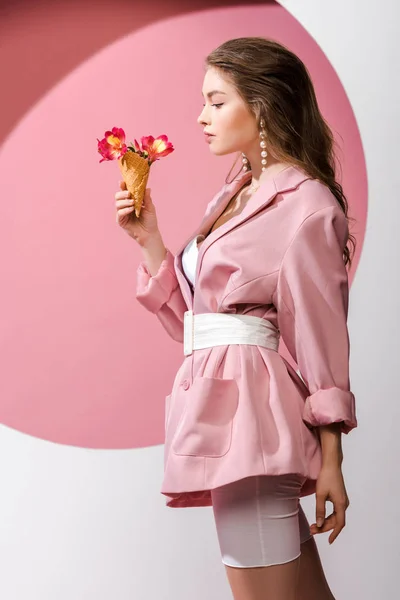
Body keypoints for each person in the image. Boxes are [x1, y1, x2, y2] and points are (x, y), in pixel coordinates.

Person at [114, 37, 357, 600]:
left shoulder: (307, 205)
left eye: (217, 101)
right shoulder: (236, 192)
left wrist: (332, 461)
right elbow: (194, 328)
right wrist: (149, 238)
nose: (201, 117)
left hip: (254, 424)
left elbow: (321, 336)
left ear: (264, 106)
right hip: (227, 415)